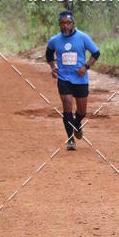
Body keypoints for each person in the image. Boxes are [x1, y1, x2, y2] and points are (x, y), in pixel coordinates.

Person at [45, 10, 100, 151]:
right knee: (67, 105)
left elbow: (96, 53)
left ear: (73, 23)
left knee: (82, 111)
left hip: (80, 79)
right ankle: (70, 139)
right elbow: (49, 53)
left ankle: (77, 123)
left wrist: (86, 67)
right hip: (64, 78)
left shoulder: (83, 37)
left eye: (68, 23)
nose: (65, 26)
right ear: (59, 24)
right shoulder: (55, 40)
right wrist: (53, 67)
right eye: (62, 23)